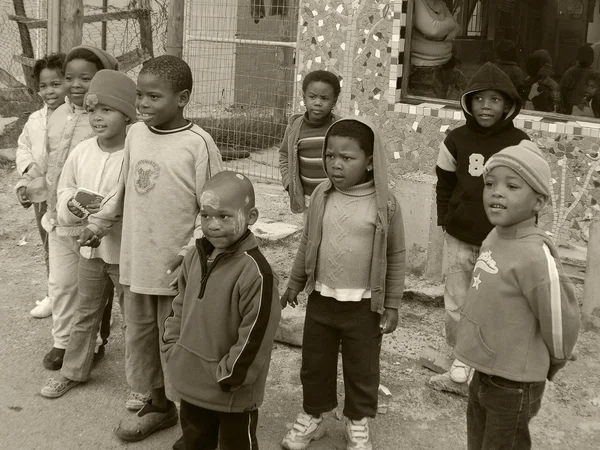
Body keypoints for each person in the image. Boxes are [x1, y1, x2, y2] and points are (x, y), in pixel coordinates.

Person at [79, 55, 224, 442]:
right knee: (140, 339)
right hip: (136, 263)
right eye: (140, 95)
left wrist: (192, 252)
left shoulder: (199, 145)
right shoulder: (137, 135)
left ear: (182, 98)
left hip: (176, 270)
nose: (142, 104)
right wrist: (98, 224)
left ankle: (194, 421)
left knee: (177, 344)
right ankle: (158, 406)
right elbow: (122, 189)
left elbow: (213, 208)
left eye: (153, 97)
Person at [280, 117, 406, 450]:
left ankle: (357, 420)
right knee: (315, 364)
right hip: (321, 299)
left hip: (364, 307)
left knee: (362, 367)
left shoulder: (386, 204)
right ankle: (314, 415)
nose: (336, 164)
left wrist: (391, 303)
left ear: (368, 162)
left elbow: (395, 256)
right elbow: (307, 241)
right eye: (330, 156)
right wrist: (294, 282)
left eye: (347, 158)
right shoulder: (322, 194)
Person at [455, 140, 581, 449]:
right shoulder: (494, 236)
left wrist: (556, 360)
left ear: (538, 202)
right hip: (484, 371)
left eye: (512, 186)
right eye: (490, 183)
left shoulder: (535, 256)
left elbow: (560, 315)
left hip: (514, 382)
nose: (496, 192)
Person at [162, 171, 281, 450]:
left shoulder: (256, 273)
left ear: (250, 216)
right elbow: (178, 304)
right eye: (205, 216)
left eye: (224, 217)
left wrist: (229, 377)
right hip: (191, 382)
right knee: (194, 438)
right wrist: (171, 349)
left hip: (231, 393)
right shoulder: (195, 257)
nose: (212, 226)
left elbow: (256, 335)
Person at [19, 45, 120, 371]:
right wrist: (31, 185)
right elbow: (49, 161)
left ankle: (94, 342)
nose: (75, 85)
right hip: (58, 218)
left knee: (94, 289)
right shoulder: (59, 115)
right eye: (69, 78)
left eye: (85, 78)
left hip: (94, 222)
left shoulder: (106, 121)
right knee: (61, 284)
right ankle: (63, 342)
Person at [39, 70, 137, 398]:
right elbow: (65, 187)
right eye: (93, 110)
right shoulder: (82, 150)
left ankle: (143, 386)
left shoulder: (135, 154)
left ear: (127, 115)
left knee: (135, 321)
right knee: (86, 312)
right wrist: (71, 205)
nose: (97, 117)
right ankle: (73, 371)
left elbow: (128, 196)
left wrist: (103, 215)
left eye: (107, 110)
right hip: (89, 250)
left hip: (124, 252)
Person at [434, 62, 529, 389]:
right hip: (460, 236)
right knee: (458, 300)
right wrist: (444, 219)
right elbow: (444, 183)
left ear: (508, 105)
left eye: (495, 100)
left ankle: (492, 364)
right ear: (468, 103)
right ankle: (459, 361)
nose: (486, 106)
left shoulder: (521, 143)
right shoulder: (455, 140)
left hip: (502, 240)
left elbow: (530, 189)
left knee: (499, 301)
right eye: (479, 99)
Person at [14, 52, 67, 318]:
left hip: (68, 194)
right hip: (41, 191)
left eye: (56, 84)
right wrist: (27, 174)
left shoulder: (78, 117)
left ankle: (88, 303)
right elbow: (23, 146)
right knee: (49, 244)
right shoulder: (35, 120)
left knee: (74, 248)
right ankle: (53, 294)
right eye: (43, 86)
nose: (49, 91)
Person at [279, 70, 340, 214]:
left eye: (324, 98)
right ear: (304, 98)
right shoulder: (295, 127)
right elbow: (284, 155)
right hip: (307, 199)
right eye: (312, 97)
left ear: (334, 102)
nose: (317, 103)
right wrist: (289, 183)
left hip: (335, 198)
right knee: (311, 234)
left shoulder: (340, 128)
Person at [408, 0, 459, 99]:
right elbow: (433, 30)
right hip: (424, 69)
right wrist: (449, 24)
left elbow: (456, 28)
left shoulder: (441, 4)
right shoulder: (418, 2)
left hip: (447, 64)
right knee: (429, 106)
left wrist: (442, 36)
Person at [559, 44, 595, 115]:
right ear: (593, 59)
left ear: (577, 58)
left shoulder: (569, 72)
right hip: (584, 112)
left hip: (568, 109)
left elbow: (562, 91)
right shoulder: (595, 74)